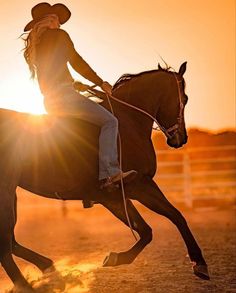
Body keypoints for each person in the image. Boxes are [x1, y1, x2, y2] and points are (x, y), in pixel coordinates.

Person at [22, 2, 137, 193]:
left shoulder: (37, 44)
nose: (59, 23)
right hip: (66, 97)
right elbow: (77, 62)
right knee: (110, 121)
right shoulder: (59, 36)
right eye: (57, 19)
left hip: (51, 100)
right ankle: (110, 173)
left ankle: (88, 183)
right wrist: (101, 83)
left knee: (84, 131)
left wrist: (75, 84)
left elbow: (53, 71)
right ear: (51, 20)